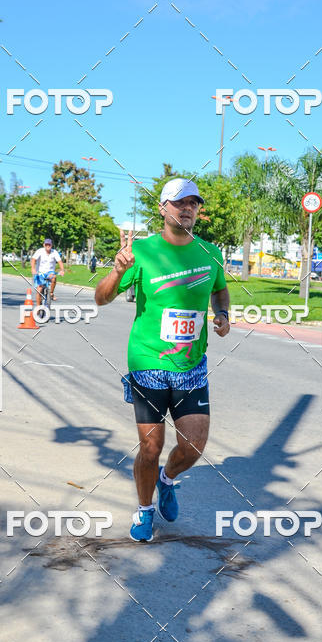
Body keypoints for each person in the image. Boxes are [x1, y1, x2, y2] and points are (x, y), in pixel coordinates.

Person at [95, 178, 231, 543]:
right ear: (163, 208)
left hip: (191, 366)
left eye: (194, 203)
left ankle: (167, 481)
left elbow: (220, 290)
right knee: (150, 447)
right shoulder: (140, 252)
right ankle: (143, 510)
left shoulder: (210, 253)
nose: (188, 208)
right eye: (179, 202)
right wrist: (118, 270)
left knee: (194, 446)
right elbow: (100, 298)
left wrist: (223, 314)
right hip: (148, 362)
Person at [31, 238, 65, 305]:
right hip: (40, 273)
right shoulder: (40, 251)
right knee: (39, 290)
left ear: (51, 245)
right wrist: (33, 268)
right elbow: (33, 259)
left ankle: (51, 293)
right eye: (46, 244)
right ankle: (38, 307)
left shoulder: (54, 252)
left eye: (49, 244)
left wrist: (62, 270)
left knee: (54, 278)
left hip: (50, 272)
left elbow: (60, 262)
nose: (48, 246)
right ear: (44, 245)